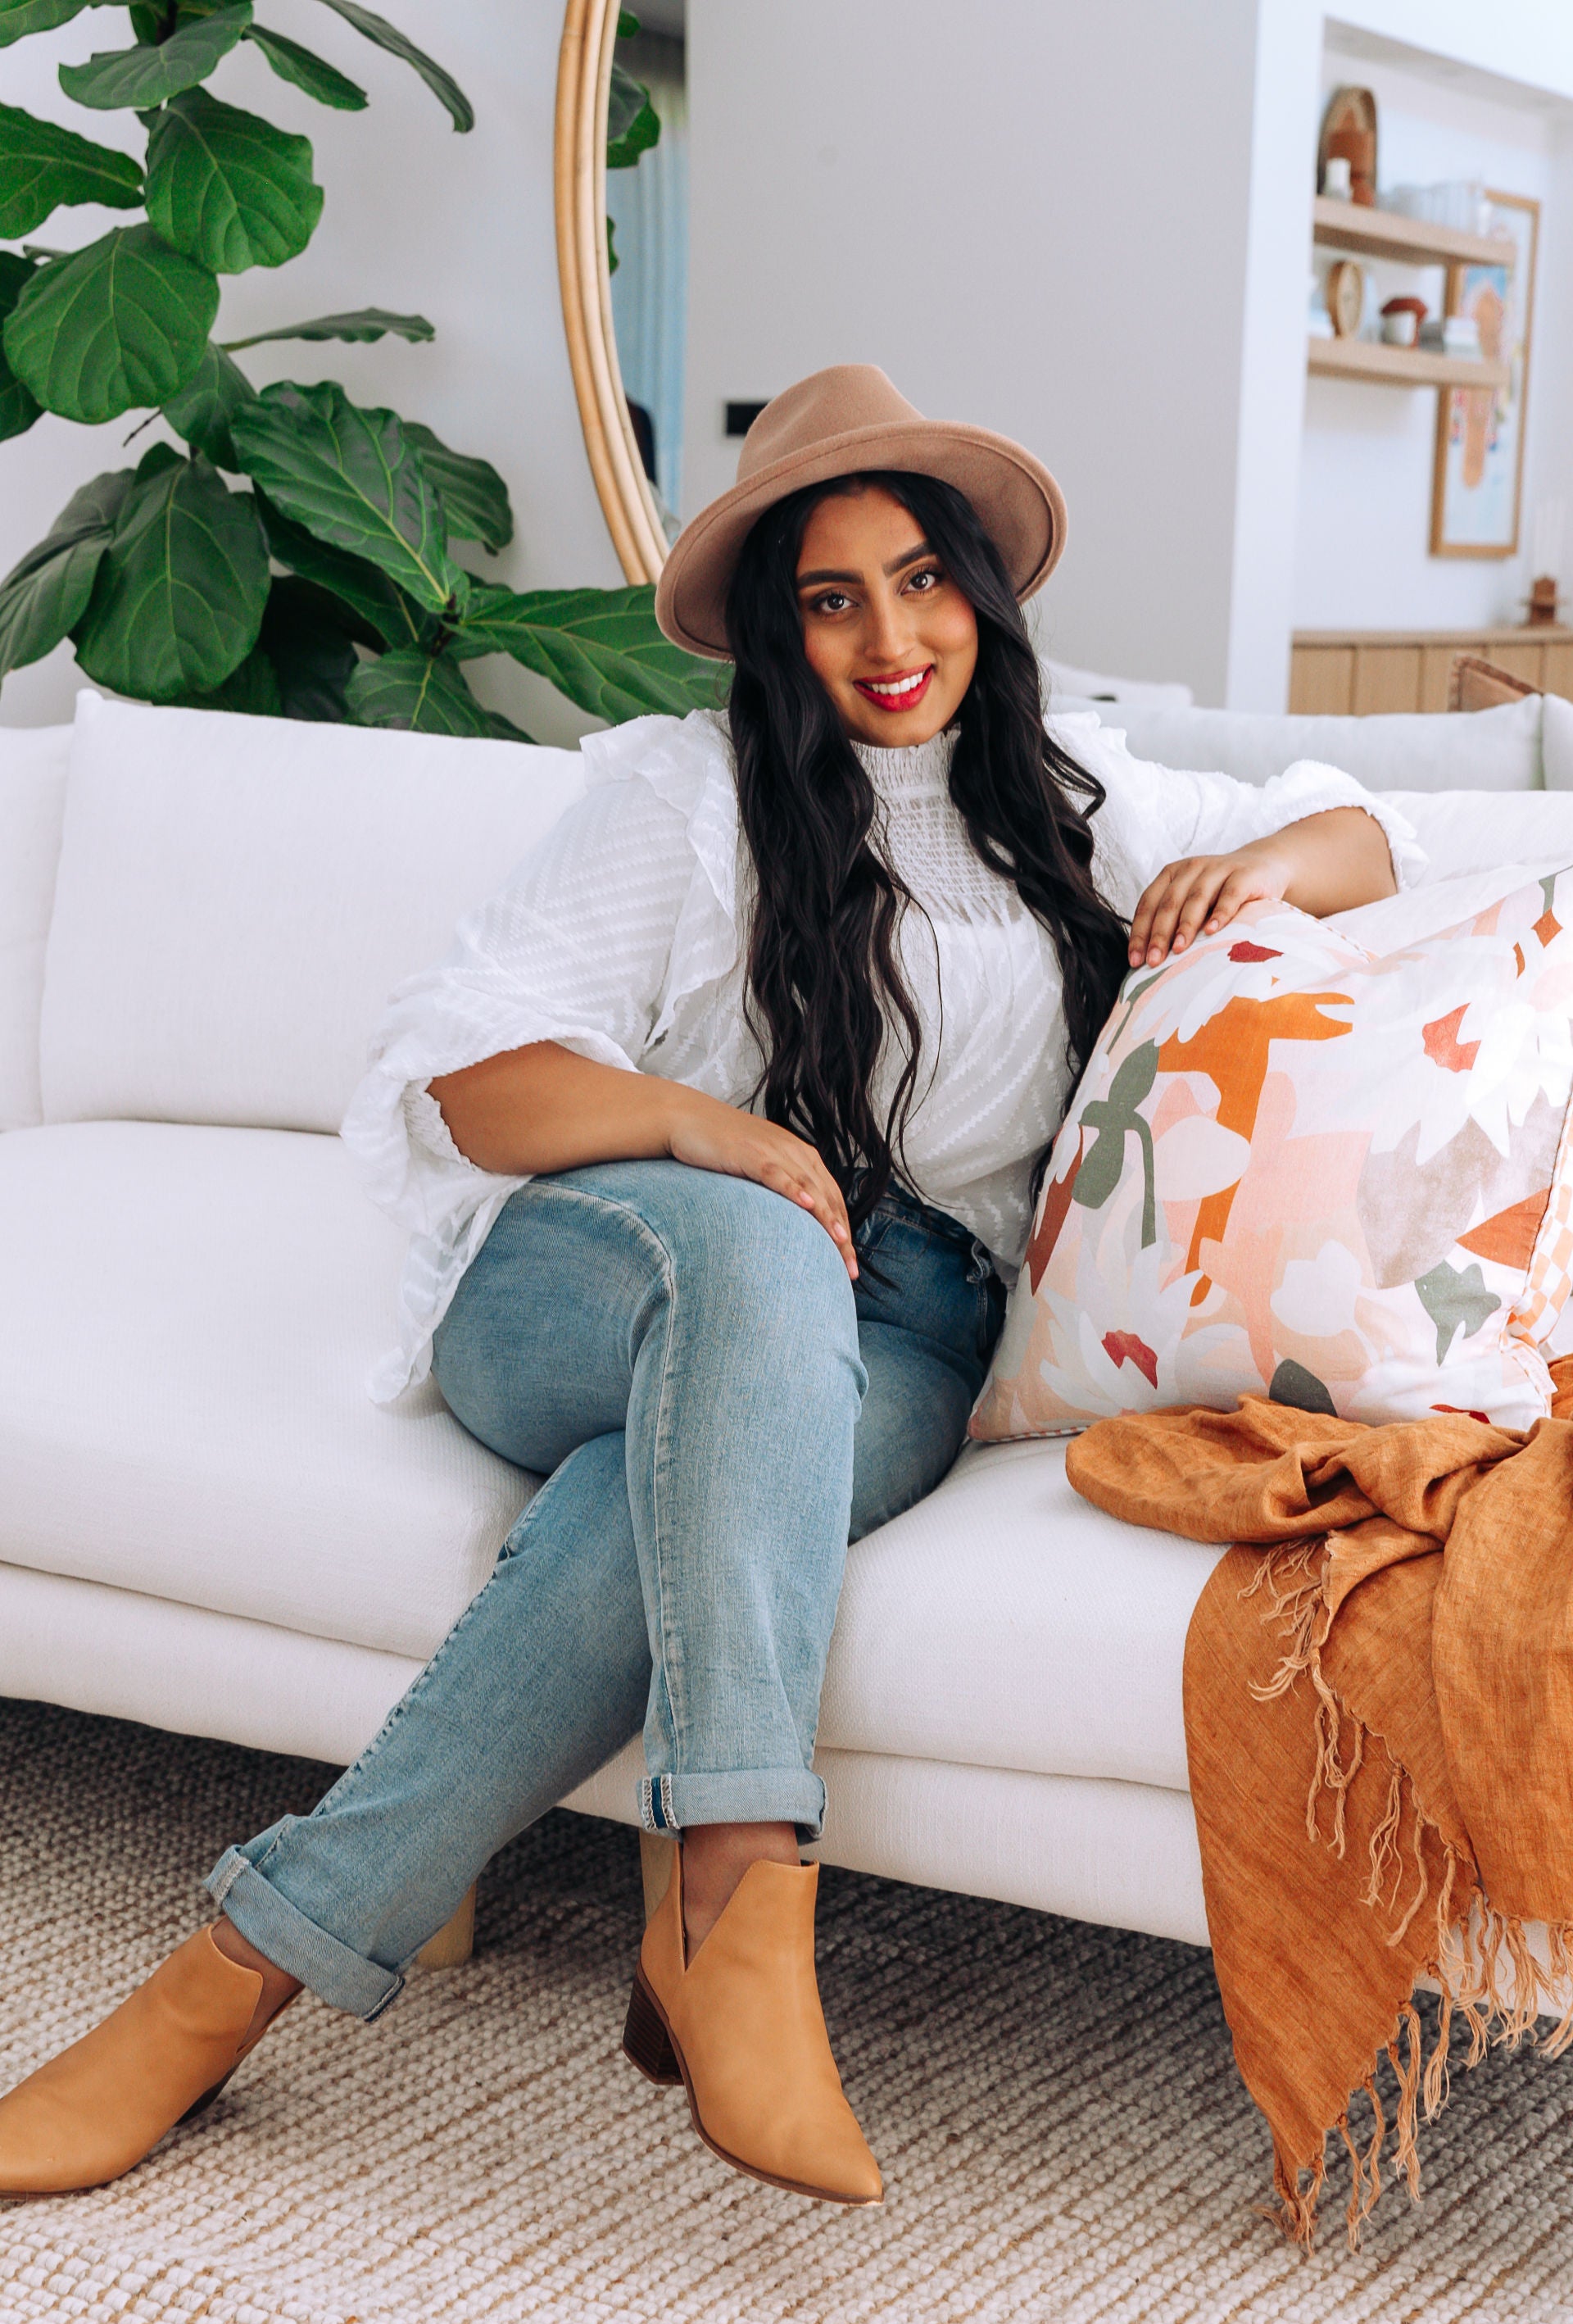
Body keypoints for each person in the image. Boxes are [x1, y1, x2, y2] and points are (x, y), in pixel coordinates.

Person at [0, 365, 1417, 2208]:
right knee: (754, 1246)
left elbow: (1362, 834)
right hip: (598, 1270)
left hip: (901, 1329)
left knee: (627, 1523)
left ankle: (221, 1987)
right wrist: (708, 1132)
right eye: (833, 600)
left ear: (979, 596)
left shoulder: (1079, 803)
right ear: (777, 625)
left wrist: (1255, 867)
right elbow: (463, 1075)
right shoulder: (688, 796)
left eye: (921, 583)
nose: (891, 638)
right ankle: (742, 1895)